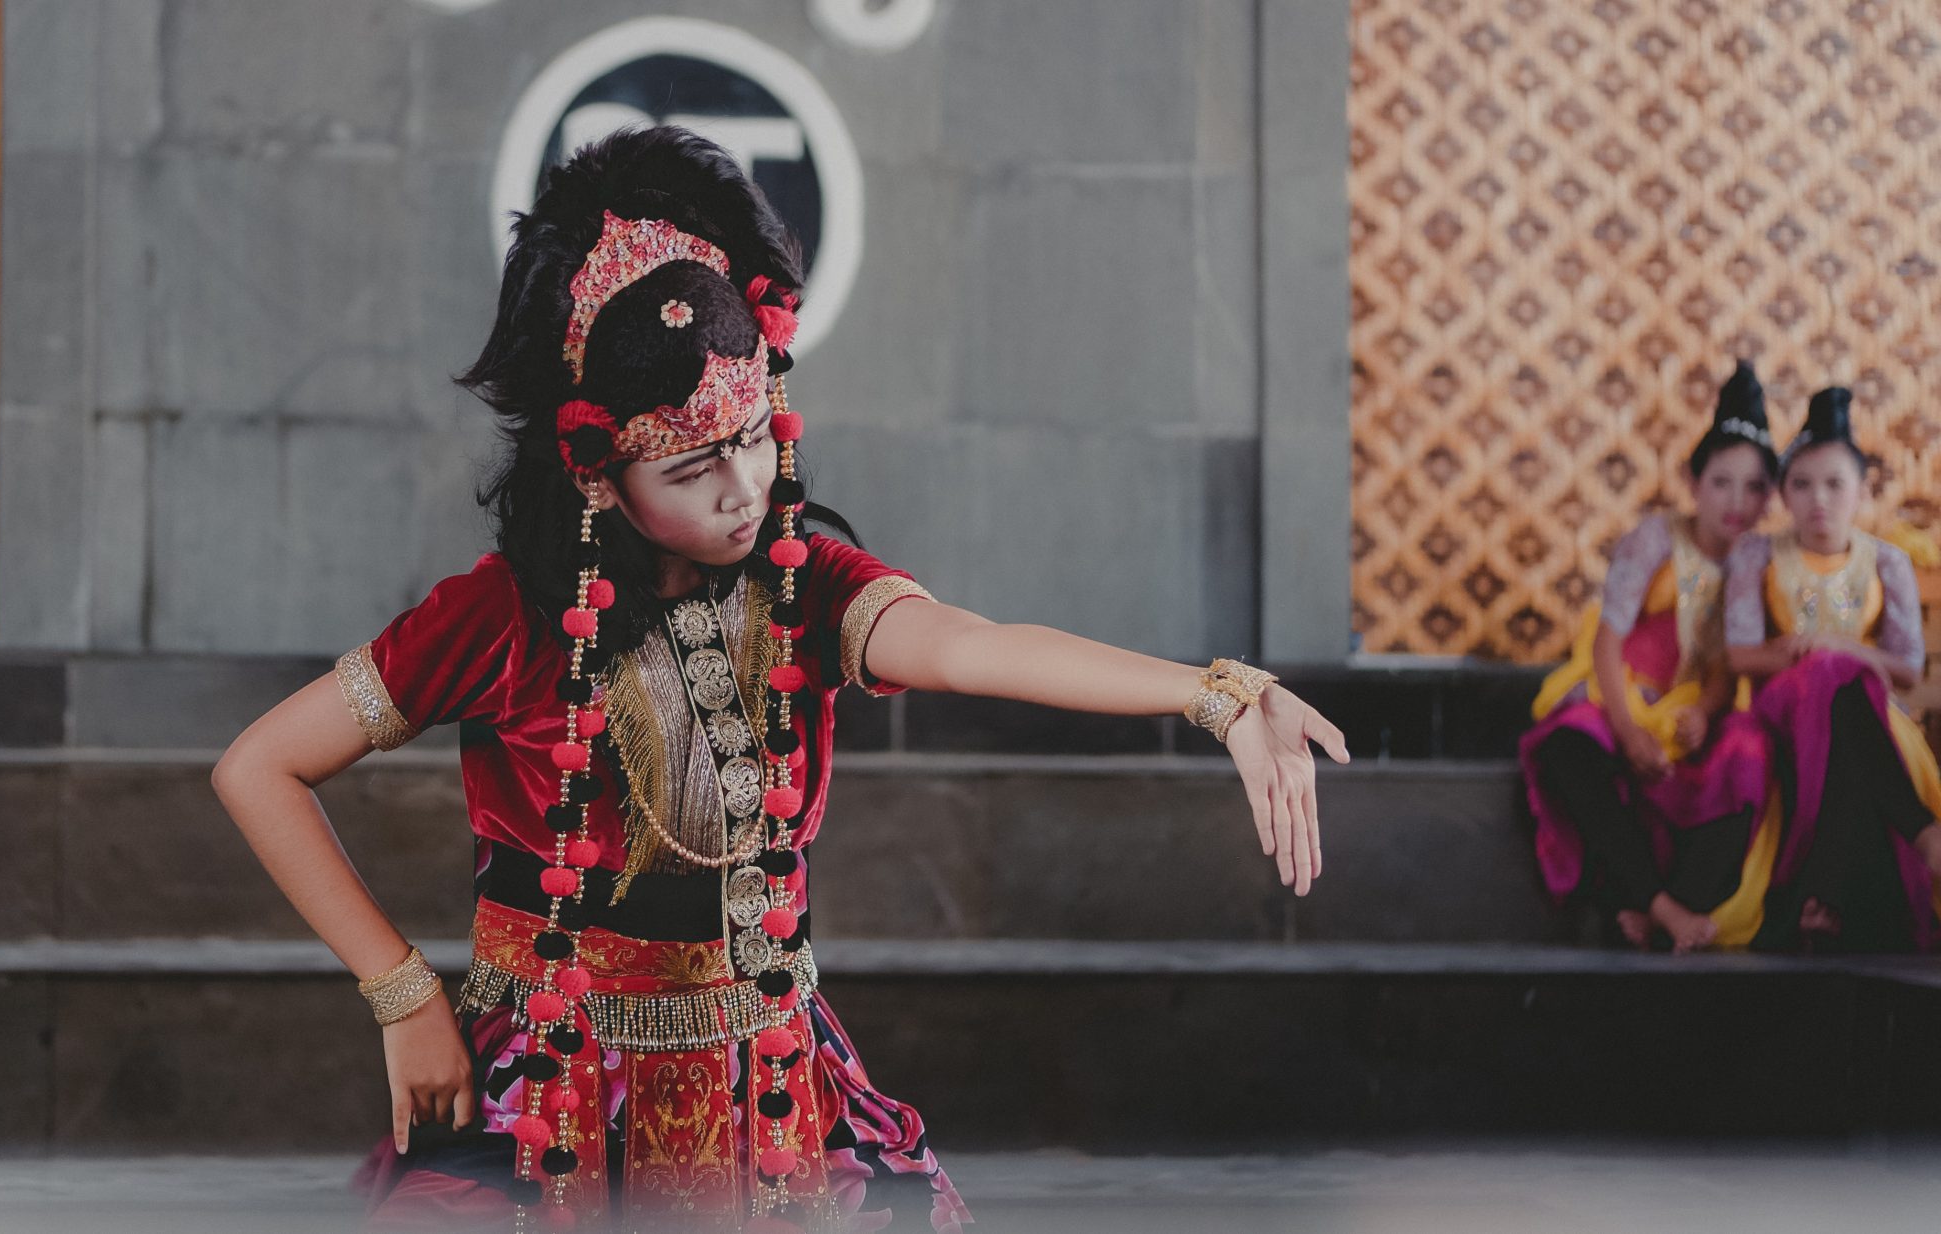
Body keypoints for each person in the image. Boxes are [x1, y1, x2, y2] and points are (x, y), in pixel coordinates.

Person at [209, 127, 1348, 1232]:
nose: (742, 488)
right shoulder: (503, 615)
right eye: (693, 465)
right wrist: (400, 993)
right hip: (549, 1085)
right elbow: (260, 765)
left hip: (772, 1080)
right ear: (599, 470)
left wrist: (1212, 694)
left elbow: (968, 643)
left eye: (756, 435)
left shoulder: (804, 589)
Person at [1519, 361, 1780, 951]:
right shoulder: (1656, 540)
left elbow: (1726, 663)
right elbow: (1606, 641)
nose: (1737, 501)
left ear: (1771, 496)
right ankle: (1658, 904)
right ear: (1693, 480)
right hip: (1625, 690)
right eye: (1722, 482)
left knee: (1750, 753)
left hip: (1695, 701)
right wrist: (1629, 727)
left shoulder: (1756, 561)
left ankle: (1675, 902)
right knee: (1570, 749)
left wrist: (1708, 712)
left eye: (1755, 486)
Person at [1725, 386, 1941, 953]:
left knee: (1843, 706)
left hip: (1867, 709)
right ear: (1784, 495)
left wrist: (1835, 648)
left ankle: (1827, 900)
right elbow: (1740, 654)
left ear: (1861, 491)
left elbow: (1909, 671)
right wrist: (1818, 657)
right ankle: (1923, 834)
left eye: (1834, 484)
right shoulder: (1757, 555)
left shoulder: (1886, 561)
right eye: (1801, 484)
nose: (1818, 499)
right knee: (1826, 680)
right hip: (1781, 708)